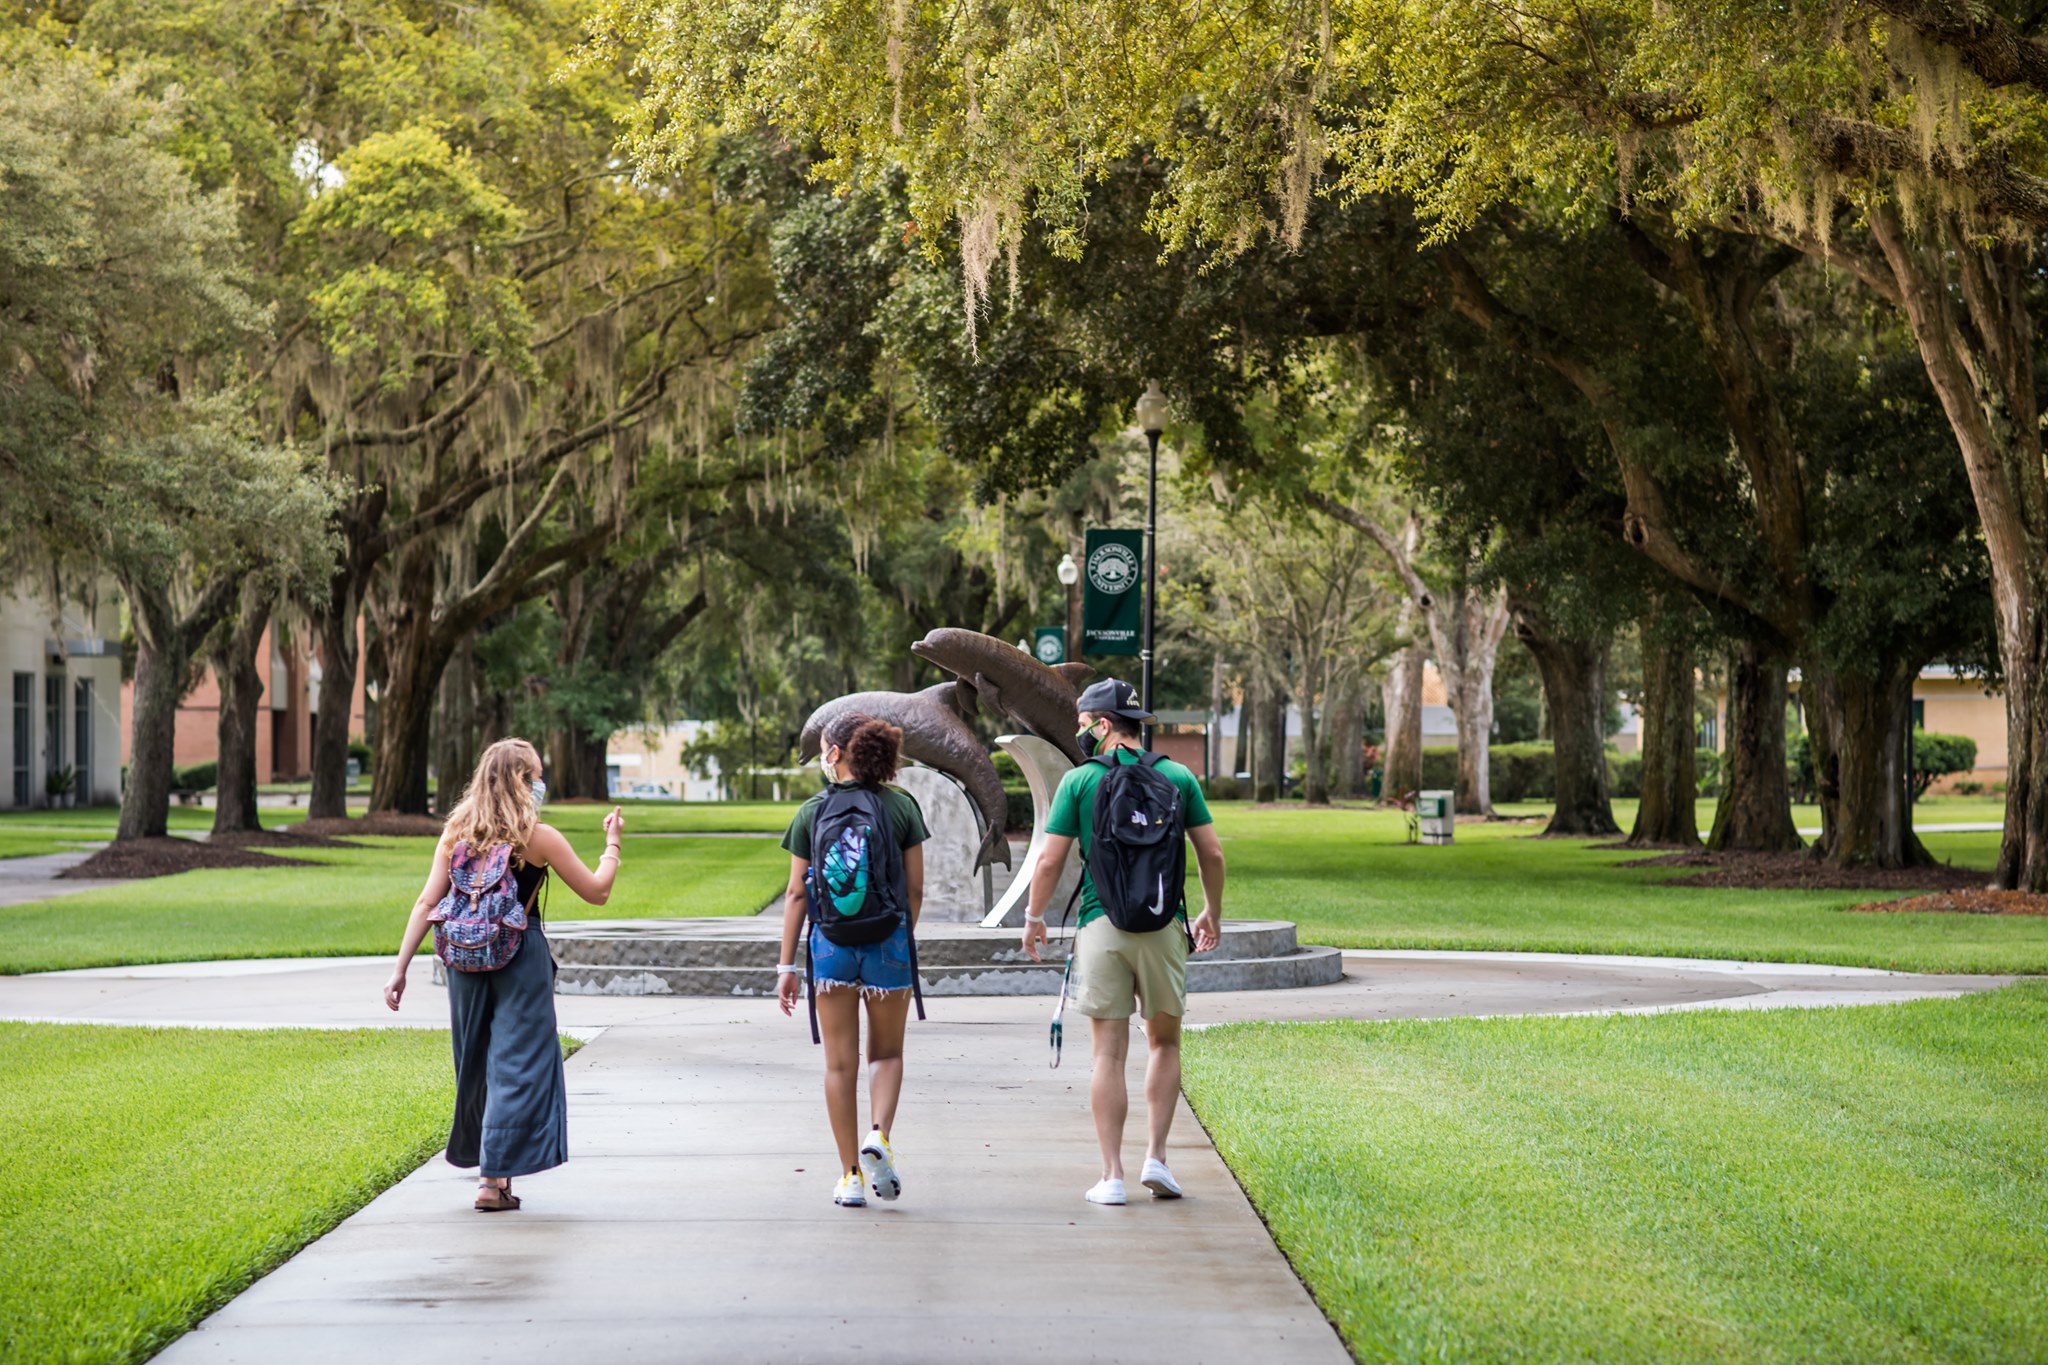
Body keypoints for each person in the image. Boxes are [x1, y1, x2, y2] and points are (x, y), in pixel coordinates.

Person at [383, 738, 626, 1211]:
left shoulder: (456, 833)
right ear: (520, 780)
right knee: (518, 1064)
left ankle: (492, 1176)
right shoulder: (539, 837)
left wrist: (400, 969)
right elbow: (597, 892)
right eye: (536, 775)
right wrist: (613, 844)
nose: (541, 783)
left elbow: (426, 903)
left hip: (464, 962)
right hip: (521, 957)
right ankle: (493, 1181)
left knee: (476, 1063)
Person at [1023, 678, 1224, 1206]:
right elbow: (1212, 855)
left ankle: (1111, 1175)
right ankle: (1156, 1158)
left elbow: (1049, 859)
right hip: (1163, 929)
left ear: (1105, 725)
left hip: (1102, 926)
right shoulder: (1179, 777)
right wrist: (1211, 913)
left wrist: (1034, 916)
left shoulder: (1079, 781)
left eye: (1083, 722)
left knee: (1107, 1057)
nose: (1079, 731)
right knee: (1164, 1043)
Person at [776, 713, 928, 1208]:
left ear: (835, 754)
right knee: (886, 1054)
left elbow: (797, 894)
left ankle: (850, 1177)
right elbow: (915, 889)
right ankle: (879, 1136)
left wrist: (786, 967)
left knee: (839, 1066)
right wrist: (899, 938)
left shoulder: (811, 811)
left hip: (830, 946)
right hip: (889, 940)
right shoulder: (902, 805)